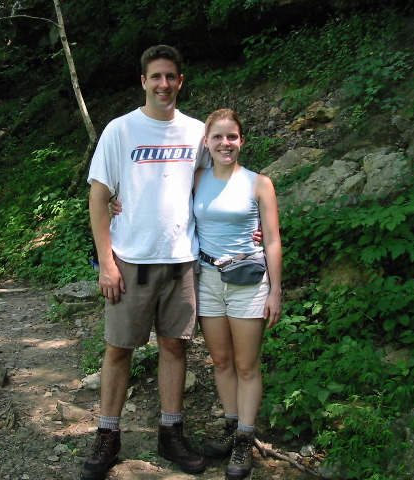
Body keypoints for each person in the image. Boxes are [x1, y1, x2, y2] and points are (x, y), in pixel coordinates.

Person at [80, 45, 209, 480]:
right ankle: (107, 434)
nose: (164, 84)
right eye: (155, 76)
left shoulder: (196, 132)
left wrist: (251, 223)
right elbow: (99, 198)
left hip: (181, 257)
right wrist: (106, 262)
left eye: (171, 76)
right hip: (130, 259)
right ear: (143, 82)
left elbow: (211, 189)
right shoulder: (120, 131)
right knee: (119, 349)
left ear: (180, 81)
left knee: (175, 346)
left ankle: (170, 432)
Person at [194, 109, 282, 480]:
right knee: (221, 361)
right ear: (207, 142)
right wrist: (116, 205)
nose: (225, 143)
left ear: (242, 140)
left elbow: (274, 239)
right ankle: (231, 427)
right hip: (207, 278)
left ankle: (246, 436)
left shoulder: (259, 183)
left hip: (248, 280)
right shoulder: (196, 179)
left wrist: (276, 290)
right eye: (218, 137)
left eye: (232, 136)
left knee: (246, 365)